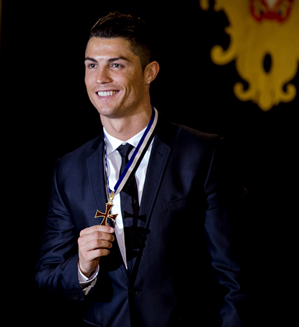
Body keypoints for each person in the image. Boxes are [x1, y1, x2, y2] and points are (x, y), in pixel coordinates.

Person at [35, 12, 245, 327]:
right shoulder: (68, 169)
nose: (100, 78)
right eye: (92, 65)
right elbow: (47, 279)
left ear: (150, 72)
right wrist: (82, 267)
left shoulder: (203, 154)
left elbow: (236, 279)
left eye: (116, 65)